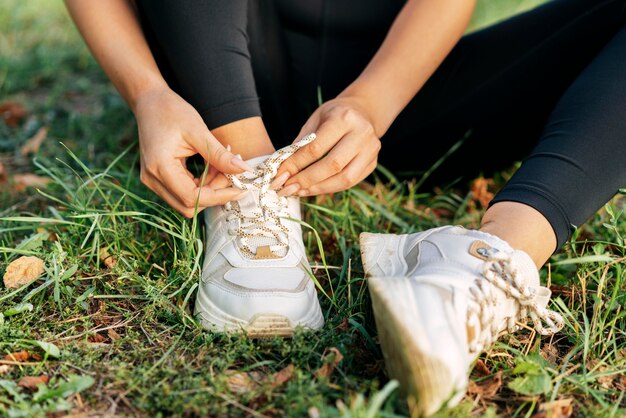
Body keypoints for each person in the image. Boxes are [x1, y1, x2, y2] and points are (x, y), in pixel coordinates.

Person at [65, 0, 626, 415]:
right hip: (217, 64)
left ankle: (485, 259)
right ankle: (251, 184)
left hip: (397, 83)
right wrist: (147, 92)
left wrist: (371, 104)